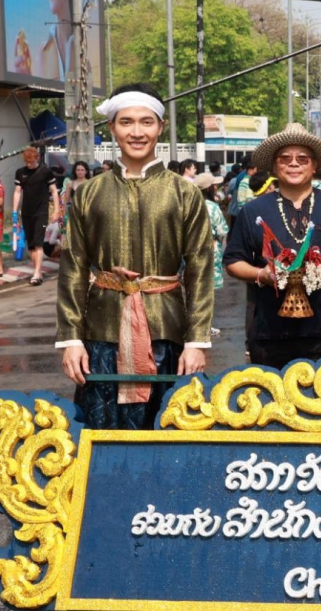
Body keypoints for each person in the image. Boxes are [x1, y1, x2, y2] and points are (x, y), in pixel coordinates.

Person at [57, 83, 214, 430]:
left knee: (166, 431)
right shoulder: (89, 194)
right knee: (101, 433)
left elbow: (201, 268)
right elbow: (73, 268)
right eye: (126, 122)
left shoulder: (184, 193)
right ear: (112, 128)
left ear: (160, 127)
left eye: (146, 122)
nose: (137, 132)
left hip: (165, 334)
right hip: (101, 333)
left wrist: (197, 341)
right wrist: (71, 339)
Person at [224, 123, 321, 368]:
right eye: (285, 158)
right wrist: (262, 274)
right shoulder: (254, 210)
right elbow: (233, 261)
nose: (293, 164)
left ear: (314, 166)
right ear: (274, 165)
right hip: (270, 333)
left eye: (302, 158)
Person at [13, 147, 59, 285]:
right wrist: (15, 211)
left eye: (31, 161)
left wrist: (57, 210)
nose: (29, 164)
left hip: (41, 212)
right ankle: (36, 269)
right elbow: (17, 192)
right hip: (26, 211)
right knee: (31, 245)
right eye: (27, 162)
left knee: (39, 243)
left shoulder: (46, 172)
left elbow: (54, 191)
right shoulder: (20, 172)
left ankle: (37, 273)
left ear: (37, 158)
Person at [193, 172, 228, 291]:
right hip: (210, 250)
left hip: (190, 252)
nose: (216, 187)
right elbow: (222, 230)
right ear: (208, 188)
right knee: (208, 290)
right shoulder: (212, 207)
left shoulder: (187, 205)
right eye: (214, 185)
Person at [225, 160, 257, 234]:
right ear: (250, 170)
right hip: (246, 214)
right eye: (256, 169)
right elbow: (248, 200)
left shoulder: (244, 180)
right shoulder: (247, 182)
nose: (257, 172)